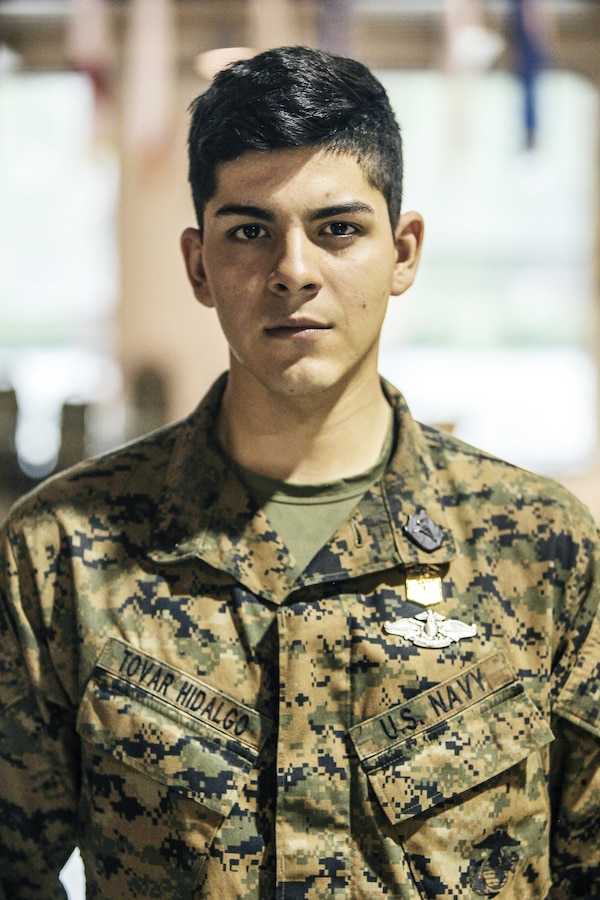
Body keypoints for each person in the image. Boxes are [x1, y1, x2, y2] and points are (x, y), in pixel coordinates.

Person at [0, 45, 598, 900]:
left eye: (337, 229)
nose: (293, 270)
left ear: (404, 251)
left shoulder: (542, 550)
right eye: (250, 231)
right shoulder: (66, 553)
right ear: (199, 263)